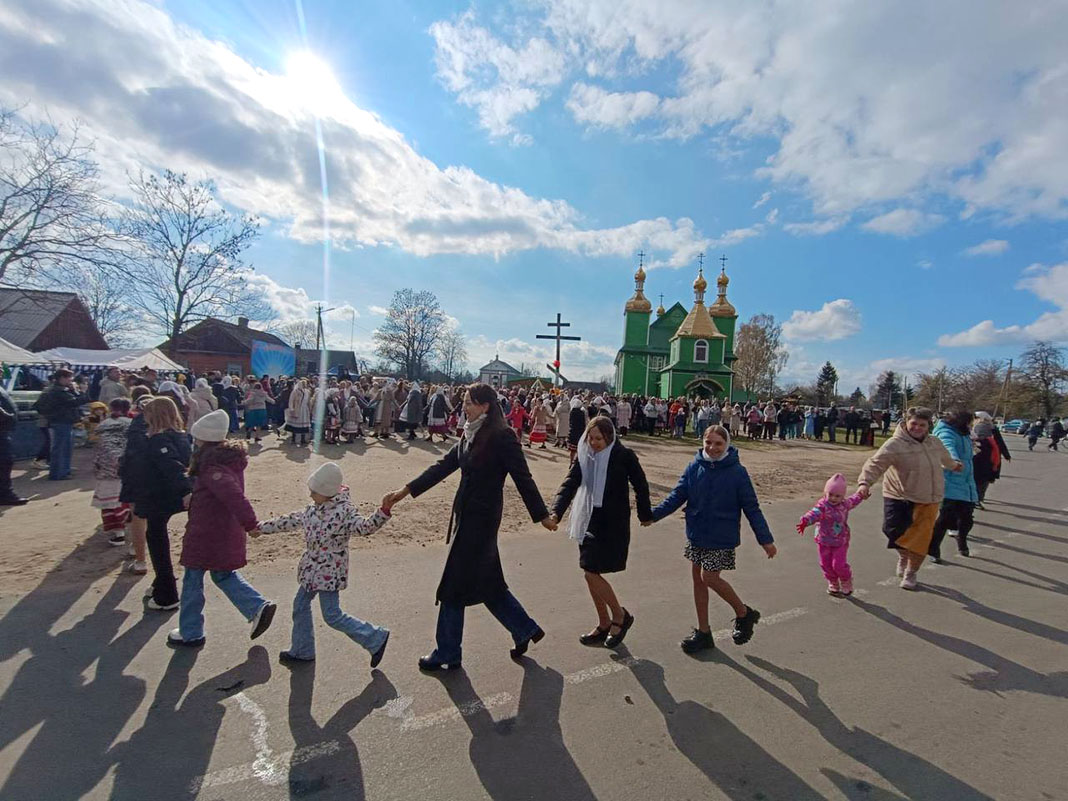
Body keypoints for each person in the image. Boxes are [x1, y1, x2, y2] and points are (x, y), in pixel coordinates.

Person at [383, 383, 556, 671]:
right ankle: (524, 628)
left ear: (485, 406)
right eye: (464, 401)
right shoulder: (469, 433)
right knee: (489, 583)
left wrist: (542, 516)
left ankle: (448, 651)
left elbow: (523, 477)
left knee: (452, 585)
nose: (463, 406)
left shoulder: (502, 436)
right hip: (467, 516)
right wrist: (405, 491)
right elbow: (443, 466)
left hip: (482, 521)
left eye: (469, 402)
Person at [644, 424, 776, 653]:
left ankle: (744, 613)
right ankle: (704, 632)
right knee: (698, 580)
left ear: (727, 444)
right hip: (697, 532)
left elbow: (751, 508)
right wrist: (653, 515)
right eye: (709, 442)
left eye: (718, 443)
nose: (713, 448)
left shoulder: (737, 472)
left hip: (721, 535)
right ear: (703, 442)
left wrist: (765, 539)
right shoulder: (695, 466)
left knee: (710, 577)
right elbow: (677, 495)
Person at [253, 463, 394, 667]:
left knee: (332, 616)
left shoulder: (345, 512)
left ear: (327, 492)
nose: (310, 494)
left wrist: (383, 511)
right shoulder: (312, 510)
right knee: (300, 606)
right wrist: (261, 528)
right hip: (311, 570)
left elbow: (365, 527)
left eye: (314, 491)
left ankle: (374, 637)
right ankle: (302, 650)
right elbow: (288, 521)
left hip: (330, 573)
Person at [166, 409, 277, 647]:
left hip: (208, 532)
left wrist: (251, 524)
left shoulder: (212, 467)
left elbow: (234, 496)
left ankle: (190, 631)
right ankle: (257, 606)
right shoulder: (225, 461)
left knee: (193, 581)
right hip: (223, 529)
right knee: (223, 574)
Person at [549, 417, 652, 648]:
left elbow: (641, 485)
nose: (594, 443)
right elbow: (569, 484)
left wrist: (645, 514)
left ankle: (620, 616)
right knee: (589, 570)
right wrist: (556, 512)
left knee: (591, 572)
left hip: (612, 522)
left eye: (599, 439)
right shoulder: (584, 455)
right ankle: (604, 622)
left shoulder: (624, 456)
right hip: (587, 518)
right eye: (591, 438)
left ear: (609, 437)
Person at [857, 407, 961, 590]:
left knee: (921, 538)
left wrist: (954, 465)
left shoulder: (934, 442)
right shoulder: (895, 444)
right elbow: (875, 464)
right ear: (906, 423)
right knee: (892, 531)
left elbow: (946, 459)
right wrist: (864, 483)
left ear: (928, 426)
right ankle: (904, 555)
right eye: (914, 423)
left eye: (923, 425)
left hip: (930, 498)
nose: (918, 428)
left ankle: (911, 572)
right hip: (899, 495)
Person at [139, 397, 193, 611]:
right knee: (157, 537)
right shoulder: (181, 436)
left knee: (157, 540)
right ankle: (160, 584)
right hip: (172, 493)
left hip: (160, 495)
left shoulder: (158, 440)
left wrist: (186, 490)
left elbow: (171, 466)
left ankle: (167, 592)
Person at [796, 473, 865, 595]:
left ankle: (846, 580)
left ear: (843, 496)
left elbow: (854, 500)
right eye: (830, 494)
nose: (833, 498)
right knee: (825, 564)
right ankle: (833, 581)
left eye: (837, 496)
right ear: (825, 493)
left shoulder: (844, 504)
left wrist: (861, 495)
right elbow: (814, 513)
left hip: (840, 540)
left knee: (838, 565)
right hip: (824, 540)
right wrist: (806, 520)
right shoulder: (823, 506)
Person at [928, 409, 979, 562]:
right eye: (969, 423)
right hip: (949, 482)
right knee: (945, 519)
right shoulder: (946, 432)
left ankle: (961, 540)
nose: (971, 426)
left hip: (966, 482)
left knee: (967, 519)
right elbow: (947, 448)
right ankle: (933, 548)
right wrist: (954, 461)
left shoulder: (963, 434)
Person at [92, 398, 135, 556]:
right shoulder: (133, 425)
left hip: (106, 471)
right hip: (127, 469)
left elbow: (98, 449)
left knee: (109, 503)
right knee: (127, 502)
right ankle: (133, 532)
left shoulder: (103, 426)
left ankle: (118, 534)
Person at [37, 368, 89, 481]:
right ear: (62, 378)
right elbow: (75, 402)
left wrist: (73, 390)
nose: (71, 380)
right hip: (61, 421)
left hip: (63, 421)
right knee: (61, 448)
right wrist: (82, 392)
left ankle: (64, 470)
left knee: (65, 448)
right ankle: (58, 473)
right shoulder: (58, 391)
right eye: (69, 378)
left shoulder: (59, 390)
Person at [972, 412, 1009, 507]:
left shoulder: (977, 427)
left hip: (982, 456)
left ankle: (977, 498)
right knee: (984, 479)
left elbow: (999, 441)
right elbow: (1000, 442)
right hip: (990, 456)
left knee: (979, 478)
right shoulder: (992, 428)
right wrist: (1006, 454)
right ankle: (978, 498)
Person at [0, 381, 27, 506]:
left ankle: (5, 494)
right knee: (4, 462)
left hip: (3, 430)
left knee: (5, 463)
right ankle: (5, 495)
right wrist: (8, 416)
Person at [287, 378, 313, 446]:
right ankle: (297, 440)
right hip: (298, 410)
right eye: (303, 384)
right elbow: (291, 400)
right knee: (297, 426)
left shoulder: (307, 391)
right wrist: (291, 409)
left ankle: (304, 439)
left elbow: (309, 401)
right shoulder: (295, 391)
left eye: (305, 384)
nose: (304, 385)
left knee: (305, 426)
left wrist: (310, 409)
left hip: (305, 410)